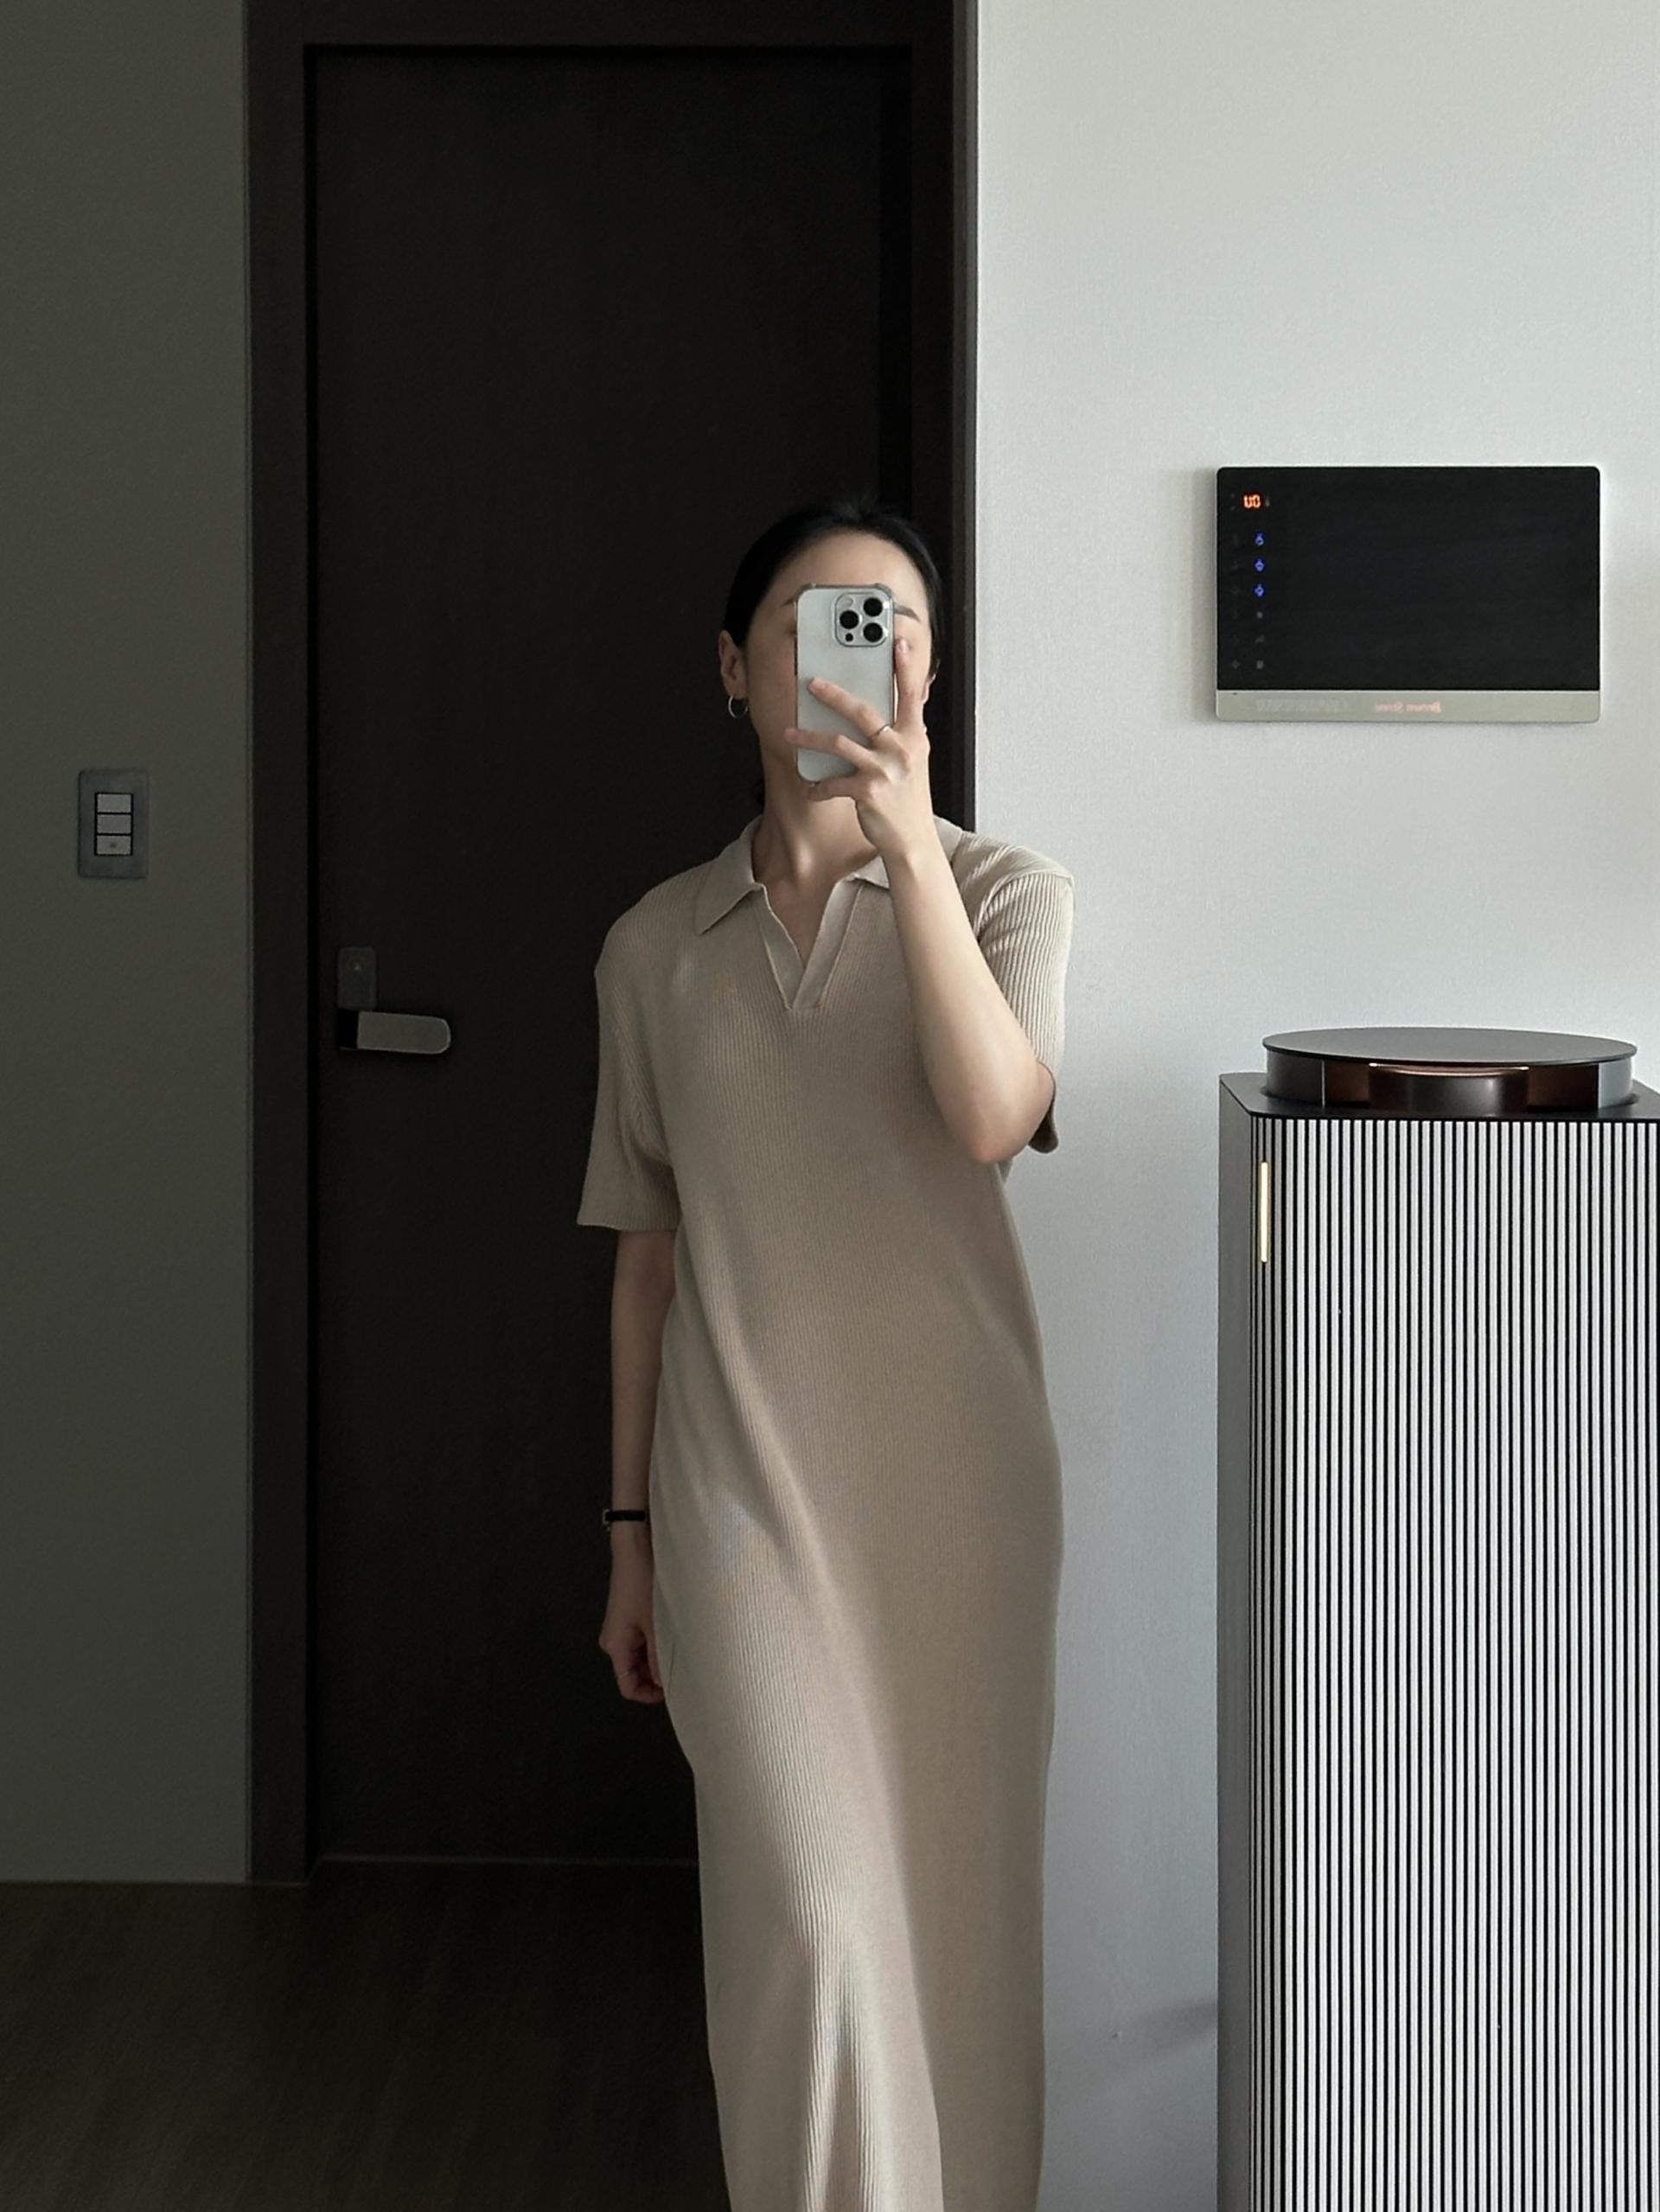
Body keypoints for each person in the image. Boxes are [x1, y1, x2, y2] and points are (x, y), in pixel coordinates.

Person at [578, 494, 1075, 2212]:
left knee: (959, 1931)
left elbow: (993, 1116)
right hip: (740, 1504)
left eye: (894, 623)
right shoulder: (652, 948)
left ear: (928, 672)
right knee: (814, 1923)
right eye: (816, 620)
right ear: (737, 667)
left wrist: (910, 851)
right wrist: (628, 1537)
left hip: (961, 1495)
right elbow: (645, 1261)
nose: (860, 651)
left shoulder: (1008, 891)